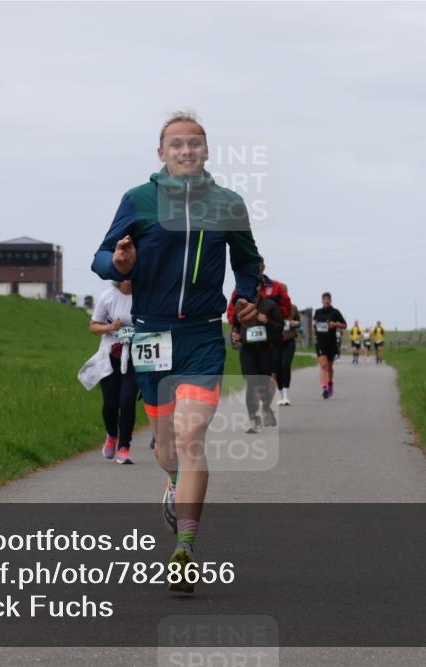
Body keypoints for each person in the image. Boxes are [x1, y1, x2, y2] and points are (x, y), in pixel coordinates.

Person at [91, 111, 262, 593]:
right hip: (151, 335)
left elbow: (248, 262)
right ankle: (173, 481)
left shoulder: (228, 204)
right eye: (176, 144)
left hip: (203, 336)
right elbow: (101, 257)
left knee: (191, 438)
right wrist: (119, 262)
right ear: (161, 153)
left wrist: (246, 297)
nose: (186, 151)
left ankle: (184, 547)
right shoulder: (139, 200)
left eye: (195, 143)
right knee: (167, 448)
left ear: (206, 151)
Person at [226, 261, 293, 406]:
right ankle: (256, 410)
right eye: (254, 266)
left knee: (269, 378)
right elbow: (233, 316)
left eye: (259, 266)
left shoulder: (275, 290)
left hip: (269, 343)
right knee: (252, 380)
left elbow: (285, 312)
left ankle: (266, 403)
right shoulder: (240, 293)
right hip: (249, 345)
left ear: (263, 267)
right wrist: (236, 331)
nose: (257, 269)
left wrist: (269, 318)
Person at [88, 280, 136, 463]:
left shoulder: (143, 295)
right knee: (110, 403)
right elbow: (93, 326)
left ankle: (124, 447)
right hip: (110, 357)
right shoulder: (107, 296)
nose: (128, 279)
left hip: (134, 357)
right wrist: (110, 327)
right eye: (124, 275)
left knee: (128, 401)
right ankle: (111, 435)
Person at [231, 277, 284, 432]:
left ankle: (266, 408)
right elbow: (235, 327)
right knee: (252, 383)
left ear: (260, 287)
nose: (250, 290)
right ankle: (253, 419)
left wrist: (267, 321)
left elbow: (280, 328)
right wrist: (235, 336)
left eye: (254, 286)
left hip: (265, 349)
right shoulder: (240, 306)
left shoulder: (270, 306)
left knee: (263, 385)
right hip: (247, 350)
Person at [313, 292, 346, 399]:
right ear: (322, 301)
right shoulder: (317, 312)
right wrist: (313, 326)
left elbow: (344, 325)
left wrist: (335, 324)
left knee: (329, 367)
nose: (326, 301)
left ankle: (330, 383)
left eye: (328, 299)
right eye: (324, 299)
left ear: (331, 300)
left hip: (331, 343)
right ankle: (325, 389)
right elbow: (314, 324)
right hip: (320, 342)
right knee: (323, 365)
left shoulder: (335, 312)